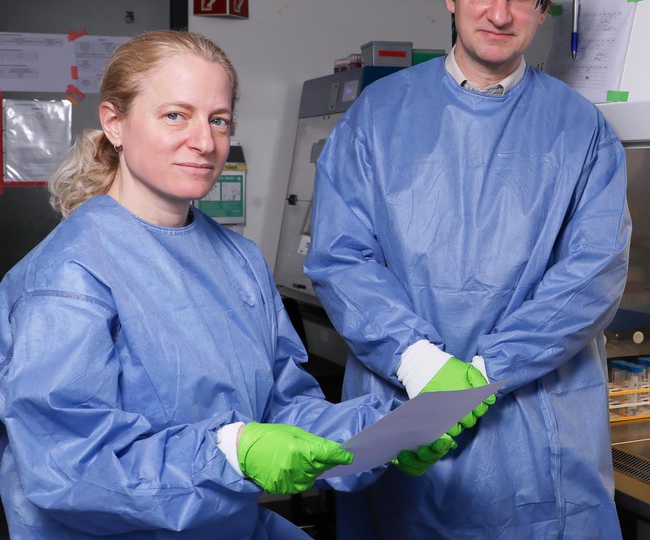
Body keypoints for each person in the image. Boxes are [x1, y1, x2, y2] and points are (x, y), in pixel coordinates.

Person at [0, 30, 451, 539]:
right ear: (115, 123)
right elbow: (67, 464)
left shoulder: (239, 260)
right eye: (176, 115)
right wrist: (230, 451)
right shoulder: (68, 274)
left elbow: (285, 406)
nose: (204, 141)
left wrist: (382, 433)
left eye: (218, 120)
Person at [304, 0, 632, 537]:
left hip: (538, 435)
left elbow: (592, 277)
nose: (499, 12)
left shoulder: (582, 131)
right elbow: (342, 258)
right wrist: (420, 361)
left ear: (542, 7)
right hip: (408, 413)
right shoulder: (377, 117)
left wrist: (483, 374)